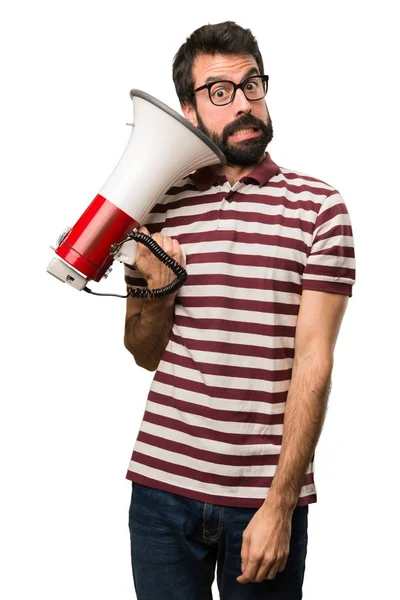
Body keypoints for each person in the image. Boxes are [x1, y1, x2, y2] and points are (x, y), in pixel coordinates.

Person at [123, 21, 356, 600]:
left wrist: (281, 503)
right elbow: (142, 353)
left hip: (264, 501)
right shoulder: (156, 201)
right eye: (220, 92)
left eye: (253, 84)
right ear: (189, 109)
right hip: (159, 492)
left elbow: (314, 361)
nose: (245, 103)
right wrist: (158, 290)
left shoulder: (320, 208)